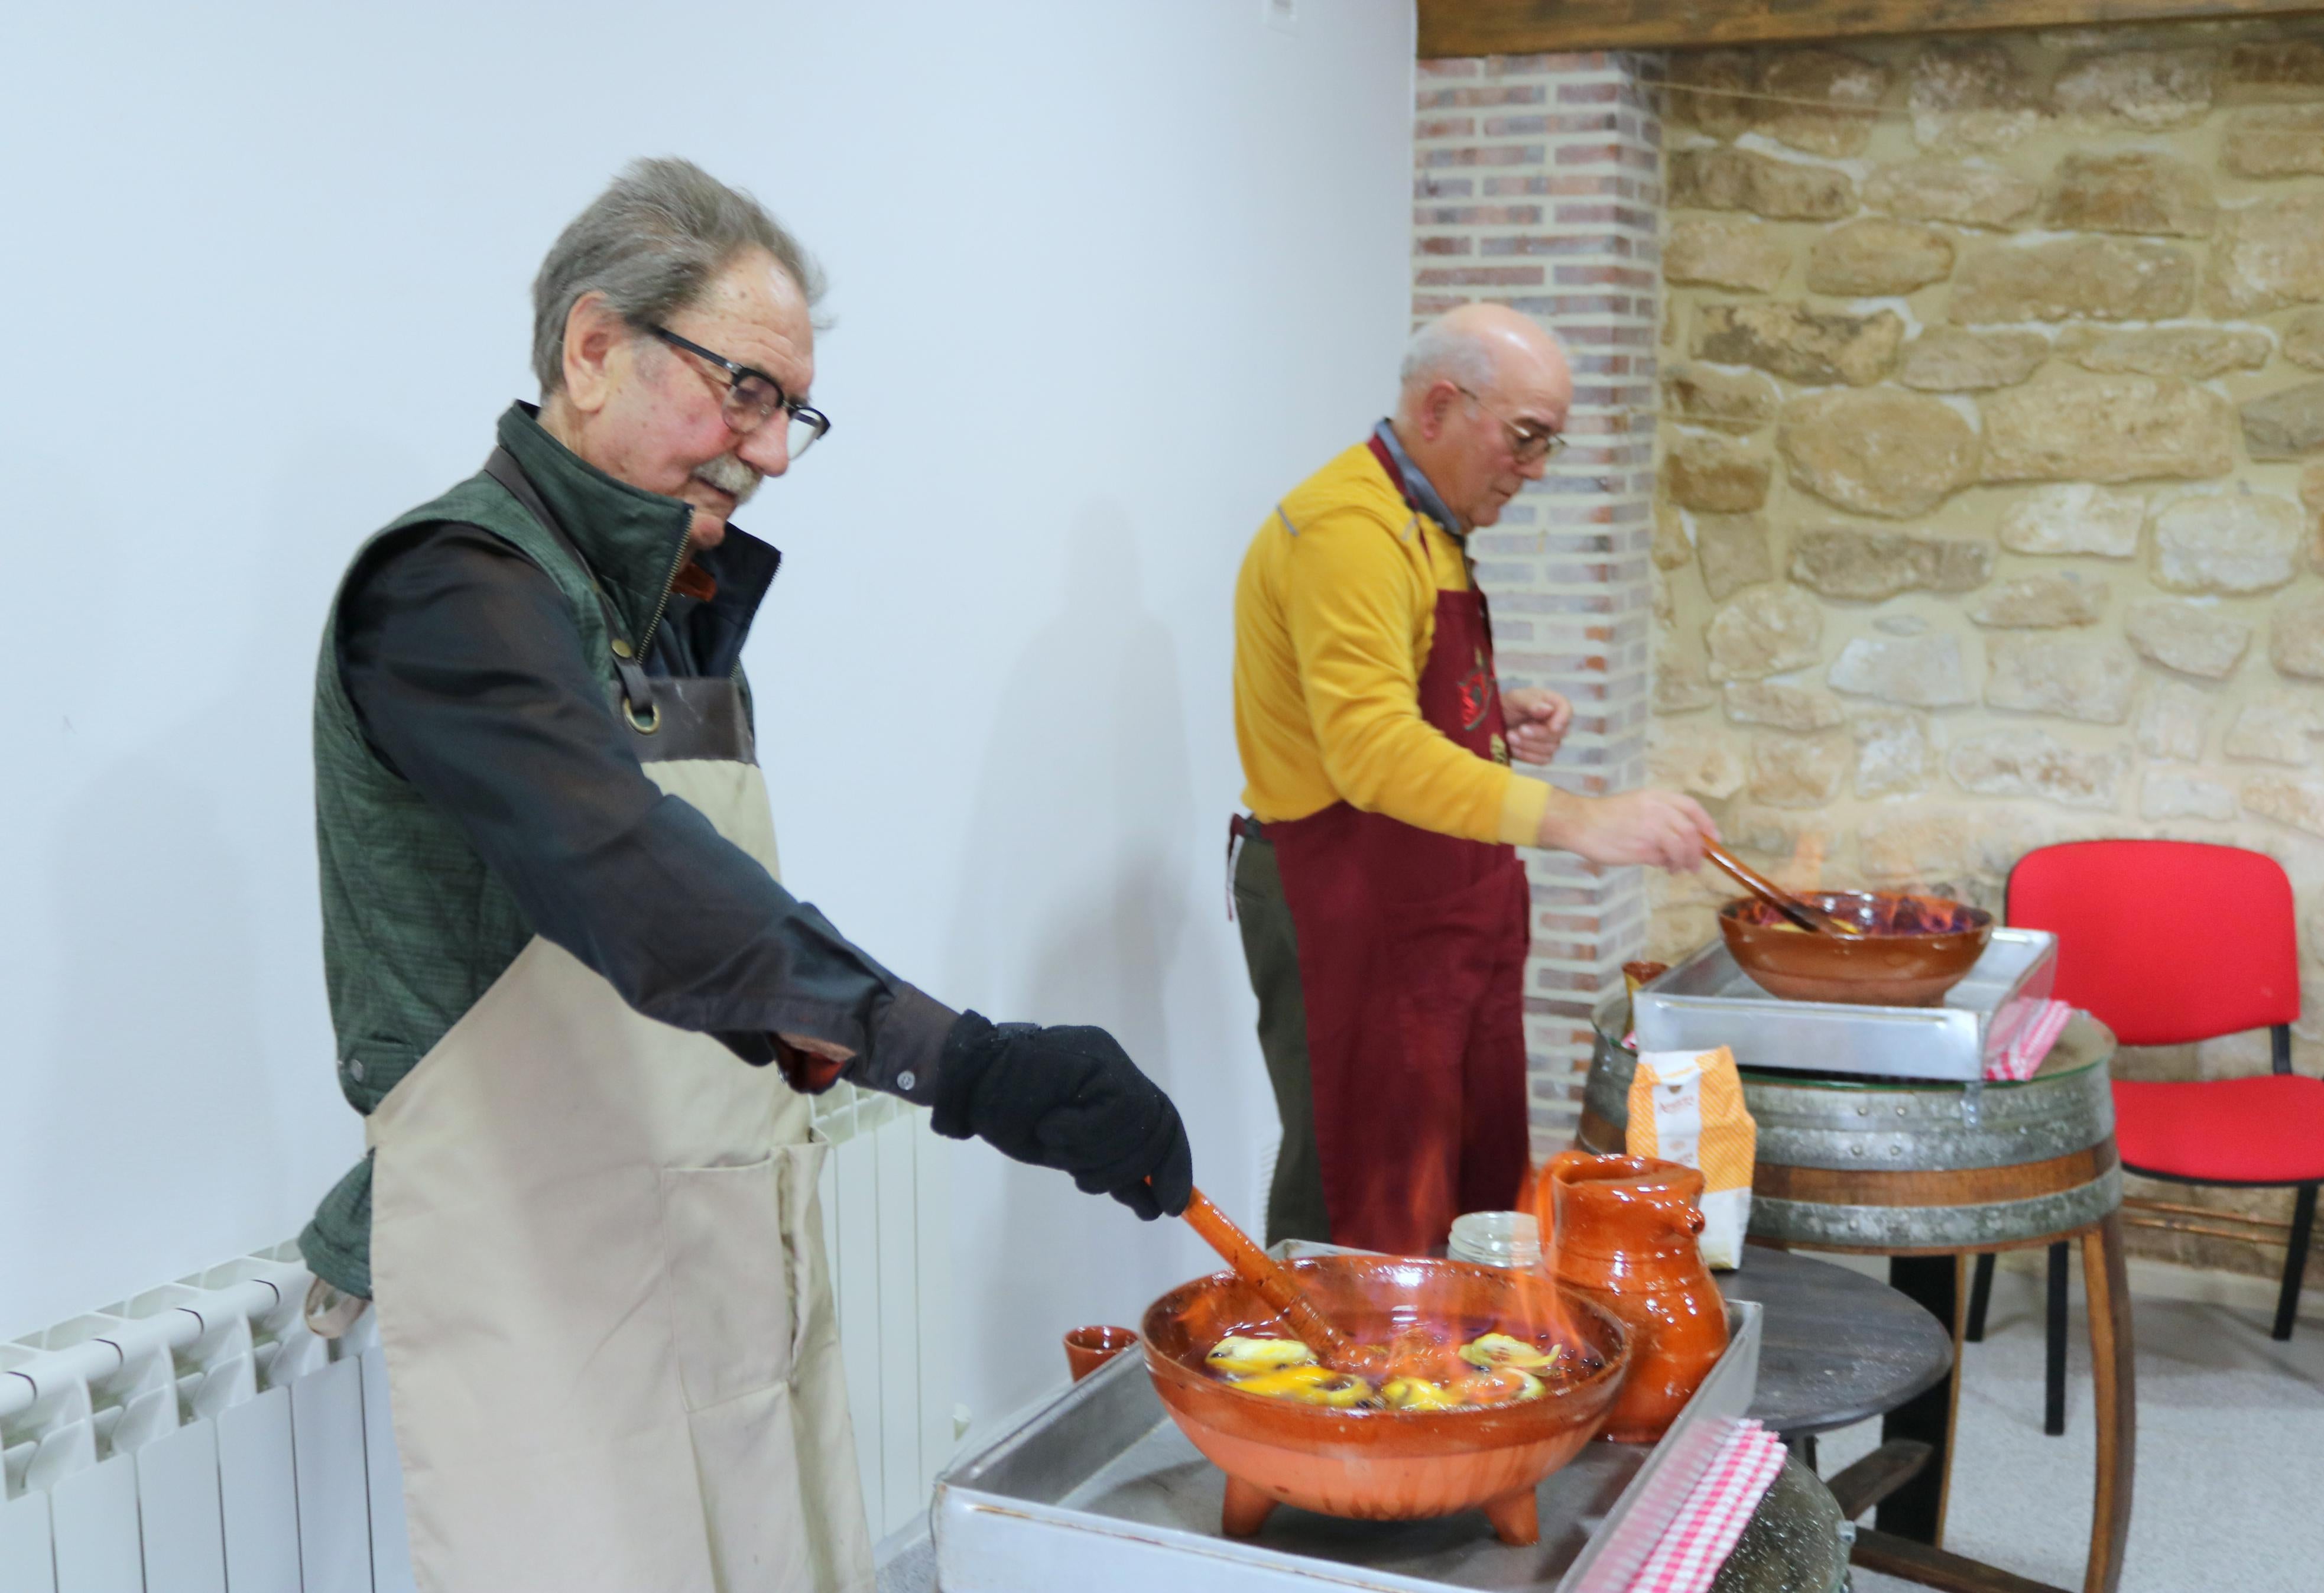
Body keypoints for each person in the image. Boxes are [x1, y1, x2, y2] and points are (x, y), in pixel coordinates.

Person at [297, 157, 1192, 1593]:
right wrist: (961, 1064)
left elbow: (735, 936)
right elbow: (640, 880)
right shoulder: (453, 593)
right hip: (545, 1269)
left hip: (719, 1237)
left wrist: (871, 1046)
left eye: (792, 413)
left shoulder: (672, 605)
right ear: (594, 349)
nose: (772, 452)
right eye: (747, 393)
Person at [1229, 303, 1715, 1255]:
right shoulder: (1348, 529)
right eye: (1526, 438)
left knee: (1463, 1203)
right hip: (1353, 917)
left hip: (1442, 920)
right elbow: (1369, 751)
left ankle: (1461, 1398)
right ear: (1441, 405)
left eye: (1548, 445)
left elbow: (1391, 692)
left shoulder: (1427, 526)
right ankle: (1340, 1405)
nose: (1534, 470)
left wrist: (1490, 715)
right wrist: (1580, 820)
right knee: (1367, 1217)